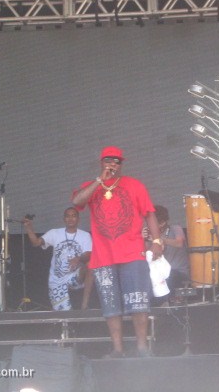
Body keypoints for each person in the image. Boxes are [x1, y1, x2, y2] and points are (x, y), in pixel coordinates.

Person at [72, 146, 163, 358]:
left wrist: (157, 241)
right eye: (108, 161)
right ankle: (118, 349)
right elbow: (77, 202)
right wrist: (99, 181)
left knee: (138, 302)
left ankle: (141, 347)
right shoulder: (91, 187)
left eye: (117, 161)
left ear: (122, 164)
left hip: (132, 253)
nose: (113, 164)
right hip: (104, 256)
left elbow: (149, 214)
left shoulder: (135, 185)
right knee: (110, 305)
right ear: (101, 162)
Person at [23, 207, 93, 311]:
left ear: (78, 219)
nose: (70, 219)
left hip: (75, 277)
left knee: (91, 265)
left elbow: (89, 254)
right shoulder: (54, 233)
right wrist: (29, 228)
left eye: (73, 216)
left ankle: (84, 306)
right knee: (64, 317)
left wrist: (78, 258)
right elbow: (36, 243)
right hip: (57, 281)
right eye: (67, 216)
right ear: (64, 219)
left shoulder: (85, 235)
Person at [143, 205, 190, 305]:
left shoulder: (175, 228)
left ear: (163, 222)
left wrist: (158, 240)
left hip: (178, 272)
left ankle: (163, 302)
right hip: (159, 273)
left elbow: (179, 243)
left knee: (169, 277)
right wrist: (142, 238)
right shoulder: (150, 234)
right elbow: (145, 252)